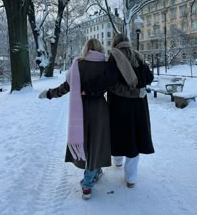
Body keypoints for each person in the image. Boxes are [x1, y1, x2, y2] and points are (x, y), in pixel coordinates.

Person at [38, 38, 143, 199]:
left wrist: (49, 94)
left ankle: (94, 172)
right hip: (100, 109)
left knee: (86, 141)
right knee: (97, 142)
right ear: (100, 48)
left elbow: (66, 87)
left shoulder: (77, 64)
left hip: (80, 109)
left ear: (86, 48)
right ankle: (87, 183)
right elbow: (116, 87)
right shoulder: (106, 65)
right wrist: (136, 93)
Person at [107, 33, 155, 188]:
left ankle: (118, 161)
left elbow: (112, 85)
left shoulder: (113, 57)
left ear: (115, 44)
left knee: (119, 135)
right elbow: (149, 78)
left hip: (118, 106)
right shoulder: (139, 57)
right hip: (138, 106)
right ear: (128, 43)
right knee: (134, 138)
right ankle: (131, 179)